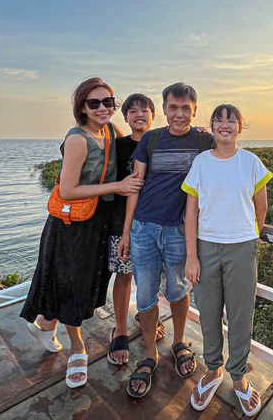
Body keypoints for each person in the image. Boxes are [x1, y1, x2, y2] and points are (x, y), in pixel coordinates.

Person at [20, 77, 144, 389]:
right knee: (72, 284)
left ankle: (46, 324)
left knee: (83, 282)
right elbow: (68, 188)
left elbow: (139, 141)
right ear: (82, 107)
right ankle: (77, 347)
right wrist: (118, 186)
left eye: (108, 102)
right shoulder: (77, 139)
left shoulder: (110, 131)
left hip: (97, 221)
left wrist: (192, 135)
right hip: (72, 224)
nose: (103, 108)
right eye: (94, 103)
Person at [117, 82, 213, 398]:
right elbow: (135, 185)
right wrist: (127, 232)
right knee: (144, 294)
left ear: (195, 110)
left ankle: (178, 342)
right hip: (144, 228)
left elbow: (224, 168)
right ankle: (149, 353)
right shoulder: (151, 138)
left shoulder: (204, 140)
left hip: (178, 231)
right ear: (165, 108)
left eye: (186, 108)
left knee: (178, 289)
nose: (180, 114)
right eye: (173, 107)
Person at [183, 104, 272, 416]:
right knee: (208, 312)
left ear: (239, 128)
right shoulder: (201, 162)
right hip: (206, 247)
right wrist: (191, 256)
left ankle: (238, 376)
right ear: (211, 127)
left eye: (230, 120)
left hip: (242, 247)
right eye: (218, 119)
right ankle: (212, 370)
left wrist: (249, 234)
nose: (224, 124)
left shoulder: (250, 162)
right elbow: (190, 211)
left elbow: (261, 205)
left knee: (240, 314)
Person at [106, 93, 167, 365]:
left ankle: (144, 316)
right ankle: (120, 328)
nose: (139, 115)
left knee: (151, 277)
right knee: (124, 273)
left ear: (154, 115)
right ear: (125, 117)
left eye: (145, 110)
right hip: (122, 220)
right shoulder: (116, 146)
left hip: (158, 222)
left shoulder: (162, 142)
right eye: (133, 111)